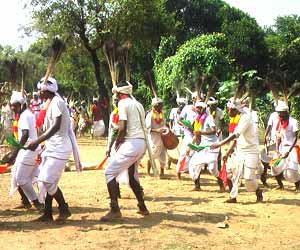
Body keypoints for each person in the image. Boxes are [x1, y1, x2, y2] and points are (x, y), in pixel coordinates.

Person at [27, 76, 82, 222]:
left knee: (46, 179)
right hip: (52, 147)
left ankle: (64, 208)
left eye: (40, 90)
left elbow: (56, 126)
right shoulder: (49, 103)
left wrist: (37, 141)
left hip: (61, 148)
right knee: (46, 181)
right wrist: (43, 144)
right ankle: (48, 213)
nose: (38, 92)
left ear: (47, 90)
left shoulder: (57, 102)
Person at [101, 81, 149, 222]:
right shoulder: (138, 104)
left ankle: (115, 209)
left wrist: (118, 142)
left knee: (109, 173)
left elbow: (122, 127)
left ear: (119, 93)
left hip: (132, 143)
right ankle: (142, 206)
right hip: (141, 144)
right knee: (132, 175)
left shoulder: (123, 103)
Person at [211, 97, 263, 203]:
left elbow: (235, 134)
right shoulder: (236, 118)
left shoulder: (245, 118)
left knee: (248, 179)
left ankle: (258, 191)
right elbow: (234, 139)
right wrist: (228, 152)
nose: (228, 112)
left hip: (251, 151)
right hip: (239, 150)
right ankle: (233, 197)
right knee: (229, 173)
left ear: (236, 110)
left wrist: (220, 143)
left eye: (230, 110)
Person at [8, 91, 43, 210]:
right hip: (28, 149)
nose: (13, 108)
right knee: (15, 173)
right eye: (12, 105)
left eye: (15, 105)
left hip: (29, 150)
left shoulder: (24, 116)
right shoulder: (26, 114)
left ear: (21, 105)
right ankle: (25, 201)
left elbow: (24, 135)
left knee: (21, 179)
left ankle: (36, 202)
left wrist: (14, 153)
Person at [188, 101, 224, 191]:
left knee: (212, 169)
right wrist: (190, 146)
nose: (197, 109)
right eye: (197, 108)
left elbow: (214, 131)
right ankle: (197, 186)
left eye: (200, 108)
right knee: (194, 164)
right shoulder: (197, 119)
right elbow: (196, 134)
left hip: (212, 145)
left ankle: (221, 184)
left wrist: (201, 132)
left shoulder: (209, 118)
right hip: (203, 145)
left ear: (203, 109)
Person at [270, 101, 300, 191]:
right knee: (274, 166)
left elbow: (296, 138)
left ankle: (298, 185)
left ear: (286, 112)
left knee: (292, 169)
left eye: (281, 112)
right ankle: (280, 185)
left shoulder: (293, 122)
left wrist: (289, 151)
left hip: (292, 148)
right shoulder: (279, 123)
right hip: (282, 148)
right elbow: (278, 137)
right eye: (278, 112)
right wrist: (277, 150)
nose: (279, 114)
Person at [175, 92, 197, 179]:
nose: (197, 100)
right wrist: (188, 126)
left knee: (195, 155)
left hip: (198, 136)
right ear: (193, 99)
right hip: (188, 135)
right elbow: (179, 120)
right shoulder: (187, 108)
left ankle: (195, 176)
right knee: (184, 153)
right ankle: (178, 172)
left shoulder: (204, 108)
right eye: (195, 99)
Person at [145, 97, 167, 177]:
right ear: (155, 105)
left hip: (162, 138)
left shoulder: (162, 113)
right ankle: (148, 172)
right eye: (160, 105)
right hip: (153, 139)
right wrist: (157, 130)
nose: (162, 106)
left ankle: (162, 172)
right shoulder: (150, 115)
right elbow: (147, 128)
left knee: (162, 155)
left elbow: (164, 124)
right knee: (152, 154)